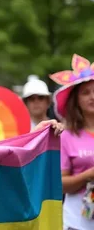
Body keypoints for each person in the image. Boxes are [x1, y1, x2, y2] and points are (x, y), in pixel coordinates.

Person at [50, 54, 94, 229]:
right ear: (76, 100)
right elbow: (59, 185)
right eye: (85, 93)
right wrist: (87, 175)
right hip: (77, 223)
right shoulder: (66, 137)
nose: (92, 96)